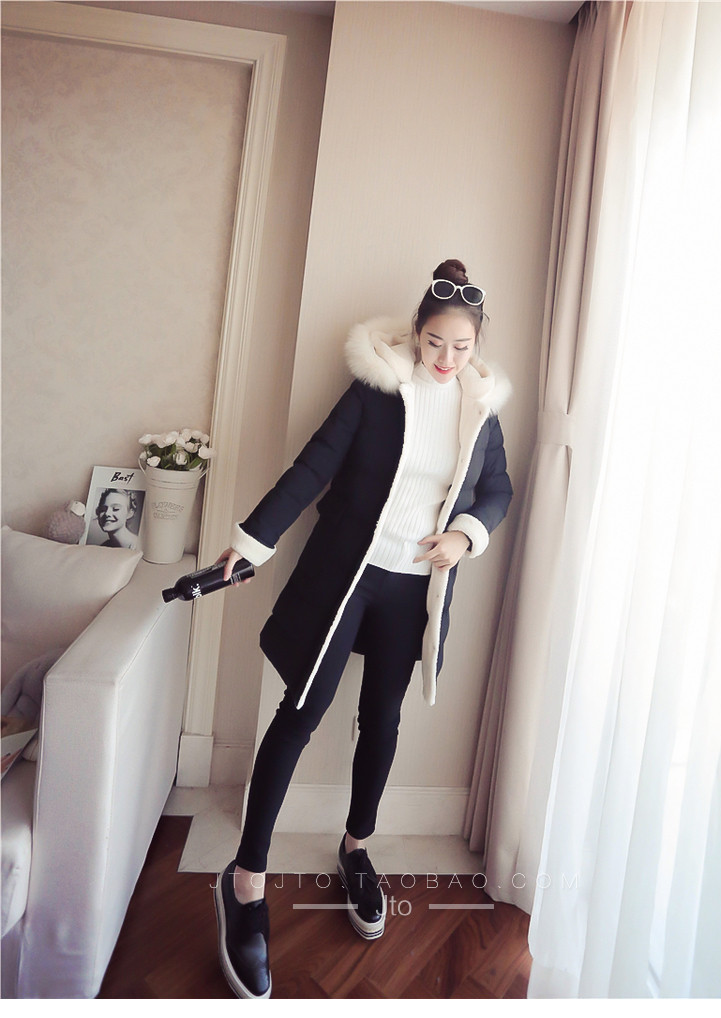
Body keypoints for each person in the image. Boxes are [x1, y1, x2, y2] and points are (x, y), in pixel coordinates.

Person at [213, 260, 513, 998]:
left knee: (382, 718)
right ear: (416, 333)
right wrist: (251, 543)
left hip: (414, 590)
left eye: (462, 348)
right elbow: (311, 468)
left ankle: (356, 848)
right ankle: (245, 878)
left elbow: (498, 489)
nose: (446, 359)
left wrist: (466, 534)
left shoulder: (481, 411)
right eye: (435, 342)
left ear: (477, 348)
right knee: (301, 712)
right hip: (349, 574)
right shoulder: (378, 390)